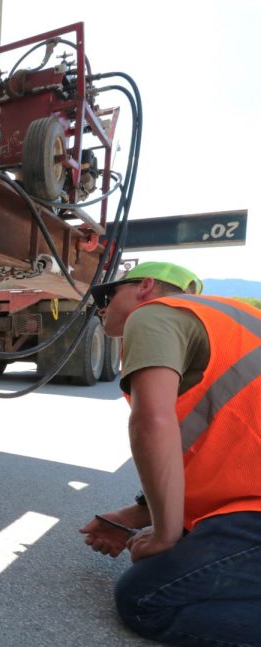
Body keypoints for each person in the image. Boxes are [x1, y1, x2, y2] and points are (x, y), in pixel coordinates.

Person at [79, 261, 261, 645]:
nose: (102, 306)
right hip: (249, 502)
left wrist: (163, 533)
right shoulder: (233, 323)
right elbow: (216, 445)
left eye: (108, 295)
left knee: (146, 598)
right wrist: (139, 513)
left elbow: (151, 423)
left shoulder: (153, 314)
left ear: (145, 287)